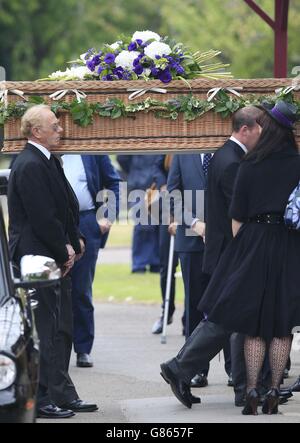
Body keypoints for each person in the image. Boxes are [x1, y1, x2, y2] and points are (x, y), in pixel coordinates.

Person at [198, 100, 300, 415]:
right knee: (282, 325)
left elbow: (237, 217)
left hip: (254, 242)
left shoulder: (250, 164)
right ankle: (274, 389)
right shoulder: (298, 163)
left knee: (254, 326)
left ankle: (252, 389)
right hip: (289, 244)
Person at [160, 106, 264, 408]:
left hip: (221, 249)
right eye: (259, 129)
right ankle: (190, 370)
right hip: (229, 251)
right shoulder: (231, 160)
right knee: (225, 315)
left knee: (227, 315)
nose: (261, 135)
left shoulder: (224, 156)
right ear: (245, 129)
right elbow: (239, 213)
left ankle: (191, 370)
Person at [8, 105, 97, 419]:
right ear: (36, 131)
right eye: (55, 126)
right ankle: (42, 397)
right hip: (36, 254)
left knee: (62, 326)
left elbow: (66, 207)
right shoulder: (29, 164)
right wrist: (65, 250)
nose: (61, 130)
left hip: (53, 252)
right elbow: (42, 216)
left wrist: (74, 240)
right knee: (46, 327)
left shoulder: (48, 161)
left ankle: (63, 393)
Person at [62, 154, 121, 368]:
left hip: (86, 220)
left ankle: (83, 348)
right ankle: (56, 348)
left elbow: (113, 182)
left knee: (81, 290)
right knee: (53, 289)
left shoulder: (91, 151)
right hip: (55, 222)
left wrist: (107, 216)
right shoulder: (47, 153)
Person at [151, 155, 181, 335]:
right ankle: (166, 311)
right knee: (166, 264)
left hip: (193, 205)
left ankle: (191, 315)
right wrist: (164, 185)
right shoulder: (170, 139)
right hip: (167, 205)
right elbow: (156, 166)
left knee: (192, 265)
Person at [117, 155, 160, 273]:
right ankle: (140, 264)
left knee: (158, 224)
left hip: (155, 183)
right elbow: (122, 158)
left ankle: (155, 262)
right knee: (142, 224)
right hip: (139, 185)